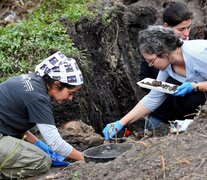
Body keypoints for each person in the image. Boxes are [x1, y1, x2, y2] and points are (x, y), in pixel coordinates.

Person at [103, 25, 207, 140]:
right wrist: (121, 123)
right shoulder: (168, 64)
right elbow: (154, 97)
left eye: (151, 61)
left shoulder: (198, 55)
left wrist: (196, 86)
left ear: (163, 52)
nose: (150, 65)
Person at [0, 51, 84, 179]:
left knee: (37, 151)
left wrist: (40, 144)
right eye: (71, 92)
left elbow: (13, 124)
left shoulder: (32, 82)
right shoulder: (38, 98)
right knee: (42, 161)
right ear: (57, 84)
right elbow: (55, 143)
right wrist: (86, 158)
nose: (71, 98)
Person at [139, 1, 194, 129]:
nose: (186, 34)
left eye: (189, 27)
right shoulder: (152, 46)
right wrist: (165, 88)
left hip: (187, 115)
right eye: (181, 29)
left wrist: (193, 87)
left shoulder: (196, 49)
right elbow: (144, 78)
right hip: (161, 113)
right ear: (166, 27)